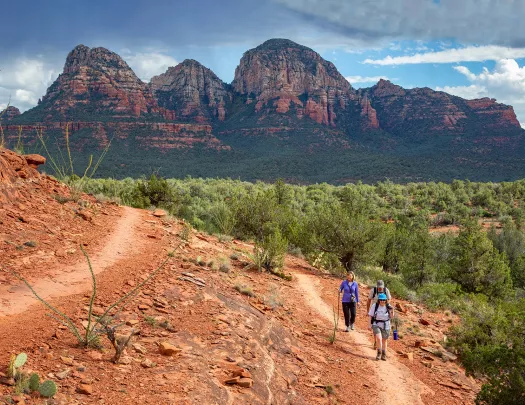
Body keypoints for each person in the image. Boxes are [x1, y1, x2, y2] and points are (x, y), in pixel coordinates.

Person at [368, 293, 394, 361]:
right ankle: (379, 353)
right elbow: (370, 315)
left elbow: (391, 317)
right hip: (376, 324)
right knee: (379, 338)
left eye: (384, 300)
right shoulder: (375, 306)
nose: (382, 301)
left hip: (386, 325)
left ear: (386, 300)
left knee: (384, 340)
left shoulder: (388, 306)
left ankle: (384, 354)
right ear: (379, 300)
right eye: (381, 300)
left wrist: (392, 311)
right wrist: (369, 325)